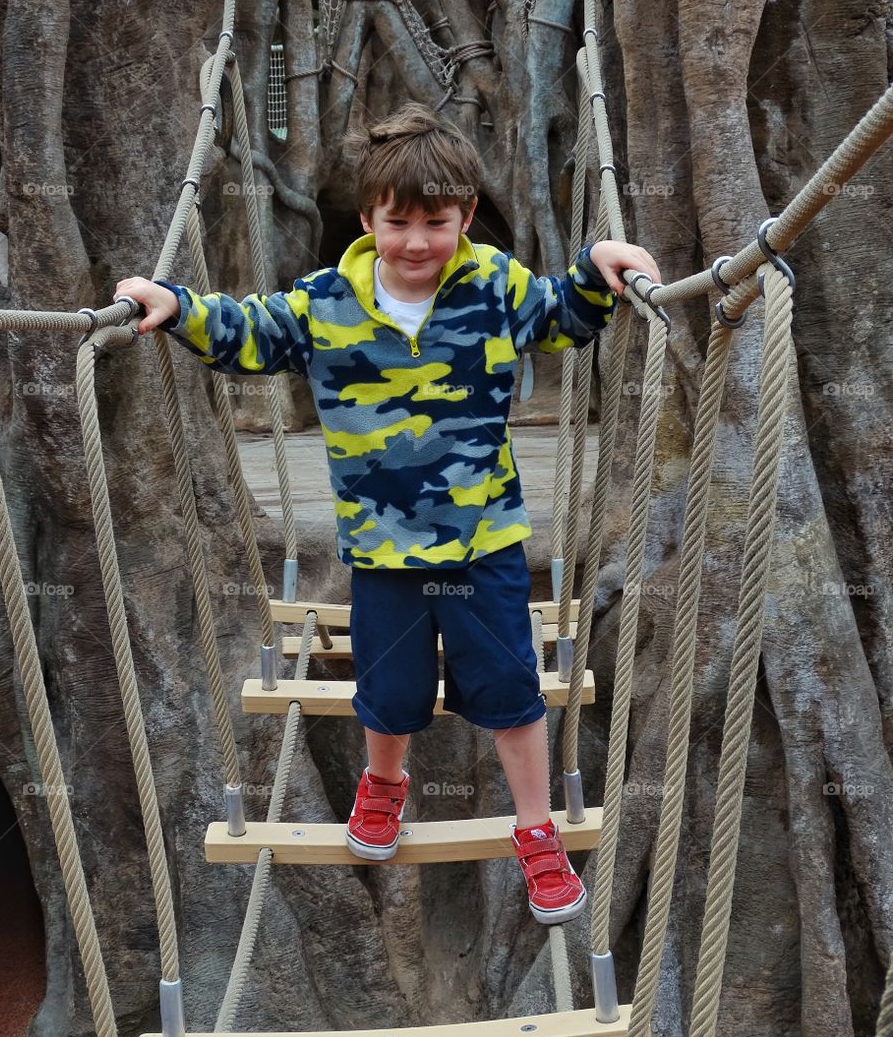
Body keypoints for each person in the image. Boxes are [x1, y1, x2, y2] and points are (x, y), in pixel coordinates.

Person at [114, 102, 660, 925]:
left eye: (436, 223)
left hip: (484, 543)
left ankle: (537, 829)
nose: (415, 242)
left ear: (466, 217)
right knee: (389, 692)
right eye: (396, 222)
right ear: (367, 219)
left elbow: (564, 316)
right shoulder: (327, 302)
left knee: (513, 691)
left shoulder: (493, 286)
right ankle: (384, 785)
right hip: (382, 548)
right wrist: (177, 305)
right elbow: (250, 333)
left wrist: (599, 264)